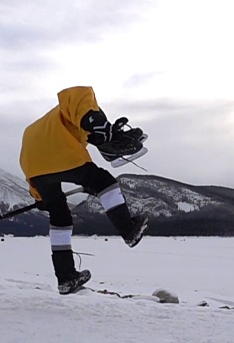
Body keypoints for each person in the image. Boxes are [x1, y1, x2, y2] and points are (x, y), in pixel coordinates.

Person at [19, 86, 149, 295]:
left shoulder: (43, 126)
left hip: (35, 168)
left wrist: (40, 196)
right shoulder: (78, 108)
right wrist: (97, 121)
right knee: (103, 181)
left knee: (59, 217)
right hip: (59, 153)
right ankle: (128, 229)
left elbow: (33, 161)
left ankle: (66, 277)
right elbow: (77, 95)